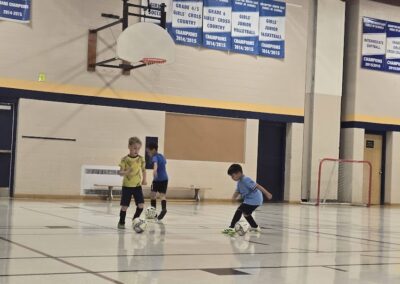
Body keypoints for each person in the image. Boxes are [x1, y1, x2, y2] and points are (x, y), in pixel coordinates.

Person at [222, 164, 273, 235]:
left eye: (233, 176)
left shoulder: (246, 180)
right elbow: (237, 191)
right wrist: (234, 197)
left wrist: (267, 193)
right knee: (246, 214)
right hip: (250, 200)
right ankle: (255, 227)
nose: (232, 178)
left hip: (255, 199)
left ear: (239, 173)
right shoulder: (239, 182)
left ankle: (231, 228)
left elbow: (257, 186)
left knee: (240, 210)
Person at [117, 137, 147, 229]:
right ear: (129, 147)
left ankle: (135, 219)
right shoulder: (124, 159)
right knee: (124, 207)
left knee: (141, 205)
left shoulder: (141, 159)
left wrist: (144, 180)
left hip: (137, 186)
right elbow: (120, 173)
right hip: (127, 186)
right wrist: (126, 172)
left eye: (138, 148)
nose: (136, 150)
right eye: (134, 148)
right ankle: (121, 222)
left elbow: (144, 170)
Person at [146, 142, 168, 221]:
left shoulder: (154, 157)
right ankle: (164, 209)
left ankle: (153, 212)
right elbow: (164, 163)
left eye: (149, 151)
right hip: (165, 179)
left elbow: (155, 164)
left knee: (152, 195)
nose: (148, 153)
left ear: (154, 150)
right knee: (162, 196)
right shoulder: (162, 156)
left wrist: (154, 171)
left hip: (157, 179)